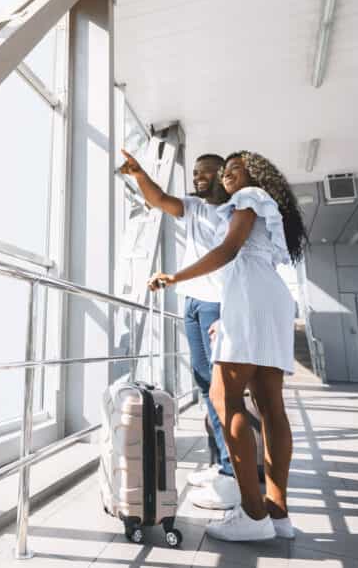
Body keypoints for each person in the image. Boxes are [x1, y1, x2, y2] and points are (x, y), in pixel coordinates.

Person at [148, 151, 307, 542]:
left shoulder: (248, 197)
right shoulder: (267, 205)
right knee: (271, 405)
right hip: (271, 298)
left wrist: (174, 277)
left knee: (225, 398)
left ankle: (253, 517)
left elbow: (228, 250)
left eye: (235, 169)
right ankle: (277, 513)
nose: (228, 176)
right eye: (227, 171)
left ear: (254, 174)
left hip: (250, 297)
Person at [117, 148, 240, 510]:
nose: (198, 178)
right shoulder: (196, 207)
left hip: (218, 305)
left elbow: (228, 257)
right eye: (196, 173)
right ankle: (221, 465)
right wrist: (138, 173)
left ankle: (236, 473)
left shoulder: (233, 212)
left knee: (223, 390)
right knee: (205, 385)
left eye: (206, 173)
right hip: (193, 303)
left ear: (223, 175)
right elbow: (158, 199)